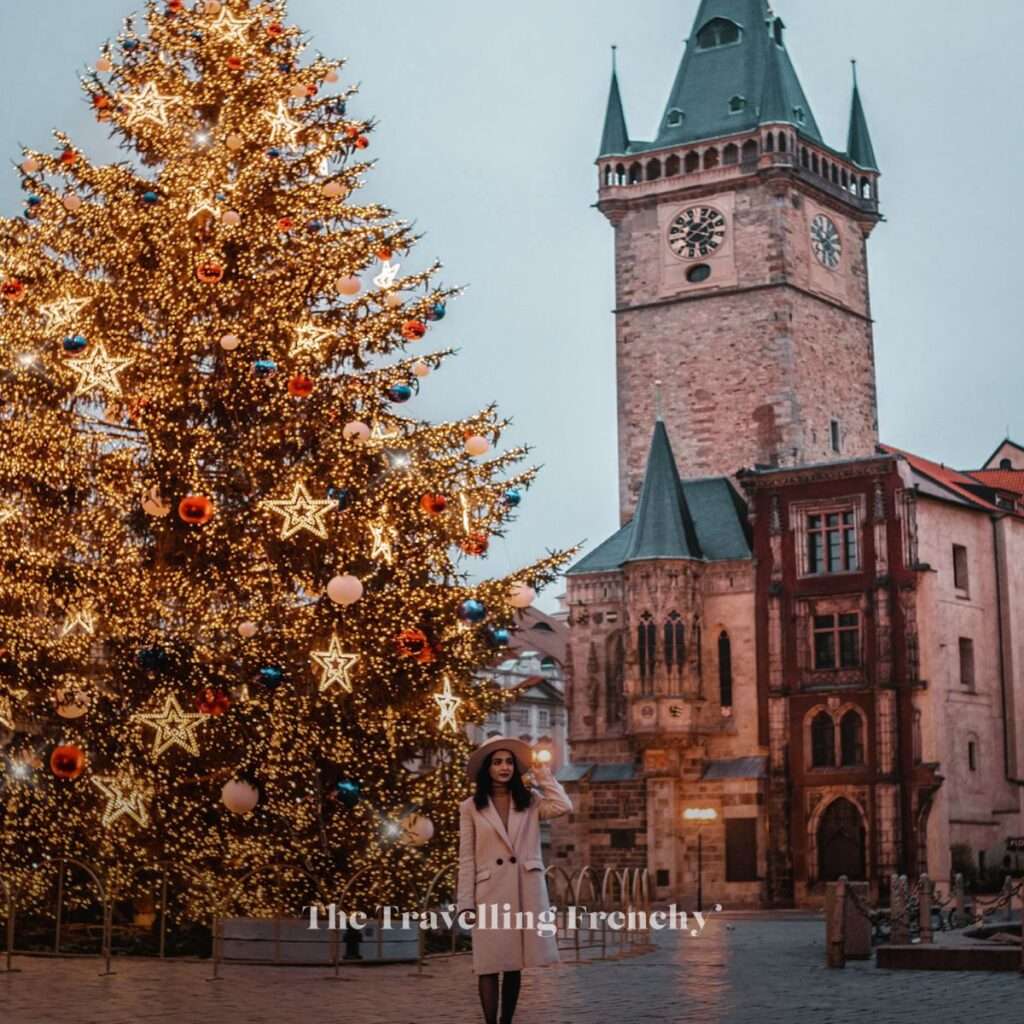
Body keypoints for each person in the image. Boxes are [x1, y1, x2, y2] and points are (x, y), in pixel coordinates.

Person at [457, 735, 573, 1024]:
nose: (504, 767)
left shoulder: (530, 801)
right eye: (497, 762)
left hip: (523, 891)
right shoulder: (470, 806)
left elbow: (563, 806)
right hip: (488, 893)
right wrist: (465, 903)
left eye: (509, 762)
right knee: (487, 965)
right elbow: (467, 858)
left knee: (513, 965)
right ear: (487, 768)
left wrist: (542, 775)